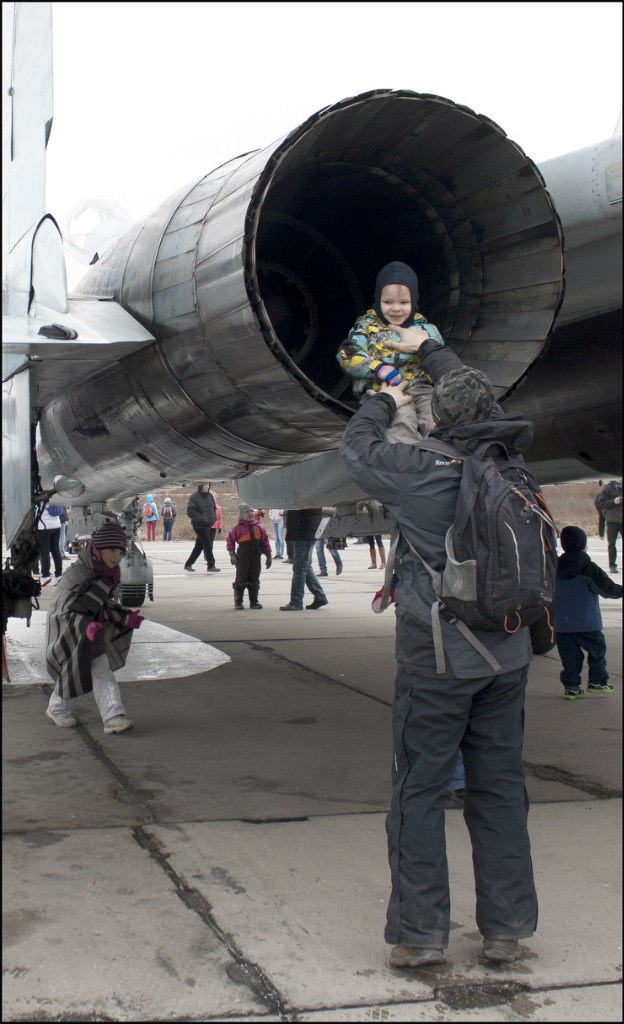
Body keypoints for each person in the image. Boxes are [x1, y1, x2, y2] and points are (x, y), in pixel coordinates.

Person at [339, 331, 538, 968]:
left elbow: (357, 452)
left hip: (439, 662)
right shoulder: (511, 464)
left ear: (442, 419)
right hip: (507, 657)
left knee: (420, 789)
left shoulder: (421, 473)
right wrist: (433, 350)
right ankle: (506, 930)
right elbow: (474, 398)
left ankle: (422, 935)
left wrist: (383, 396)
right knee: (501, 789)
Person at [45, 521, 143, 734]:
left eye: (120, 552)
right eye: (111, 550)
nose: (116, 556)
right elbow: (64, 609)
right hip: (72, 629)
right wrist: (83, 625)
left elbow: (101, 603)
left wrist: (122, 618)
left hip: (93, 629)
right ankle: (58, 709)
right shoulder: (78, 574)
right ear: (98, 549)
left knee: (100, 669)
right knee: (74, 670)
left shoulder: (109, 573)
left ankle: (113, 716)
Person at [336, 261, 443, 443]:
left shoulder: (425, 328)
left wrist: (422, 342)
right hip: (384, 389)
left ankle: (441, 456)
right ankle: (407, 461)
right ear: (378, 300)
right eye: (387, 302)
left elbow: (438, 351)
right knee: (402, 419)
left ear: (414, 302)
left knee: (436, 415)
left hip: (422, 386)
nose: (395, 308)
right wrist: (377, 368)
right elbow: (347, 354)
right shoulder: (366, 326)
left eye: (404, 302)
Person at [553, 525, 622, 699]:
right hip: (587, 622)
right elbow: (608, 590)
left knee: (569, 657)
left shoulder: (554, 568)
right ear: (584, 544)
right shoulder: (588, 567)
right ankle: (597, 682)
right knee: (597, 651)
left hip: (562, 624)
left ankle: (572, 687)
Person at [280, 509, 328, 611]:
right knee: (305, 566)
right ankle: (320, 597)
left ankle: (296, 601)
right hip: (304, 529)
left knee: (300, 567)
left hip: (304, 530)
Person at [226, 503, 272, 609]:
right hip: (242, 558)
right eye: (248, 511)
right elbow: (230, 541)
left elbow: (265, 542)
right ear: (242, 514)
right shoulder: (237, 529)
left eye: (252, 511)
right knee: (241, 579)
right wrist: (232, 554)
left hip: (256, 557)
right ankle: (238, 602)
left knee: (254, 579)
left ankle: (254, 602)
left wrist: (268, 556)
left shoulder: (259, 528)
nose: (251, 513)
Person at [184, 482, 220, 572]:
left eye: (208, 485)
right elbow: (190, 511)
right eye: (205, 485)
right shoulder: (194, 497)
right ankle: (211, 565)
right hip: (199, 525)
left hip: (208, 525)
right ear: (201, 486)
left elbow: (214, 508)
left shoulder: (210, 496)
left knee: (199, 546)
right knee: (208, 544)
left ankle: (188, 564)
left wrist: (214, 518)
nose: (207, 487)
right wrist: (201, 519)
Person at [594, 479, 622, 573]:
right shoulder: (607, 488)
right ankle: (612, 565)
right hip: (612, 521)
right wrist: (614, 502)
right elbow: (601, 503)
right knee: (612, 544)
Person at [36, 502, 64, 585]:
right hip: (56, 526)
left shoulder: (42, 500)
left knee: (45, 552)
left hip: (44, 527)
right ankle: (58, 574)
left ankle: (45, 576)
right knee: (56, 551)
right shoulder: (56, 499)